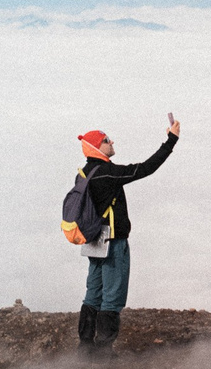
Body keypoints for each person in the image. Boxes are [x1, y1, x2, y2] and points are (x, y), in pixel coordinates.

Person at [73, 113, 181, 353]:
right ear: (95, 147)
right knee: (113, 295)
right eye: (106, 140)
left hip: (93, 240)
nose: (112, 142)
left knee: (94, 293)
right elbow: (145, 168)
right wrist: (171, 141)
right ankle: (103, 352)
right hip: (113, 242)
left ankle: (85, 348)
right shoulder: (106, 173)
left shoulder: (84, 173)